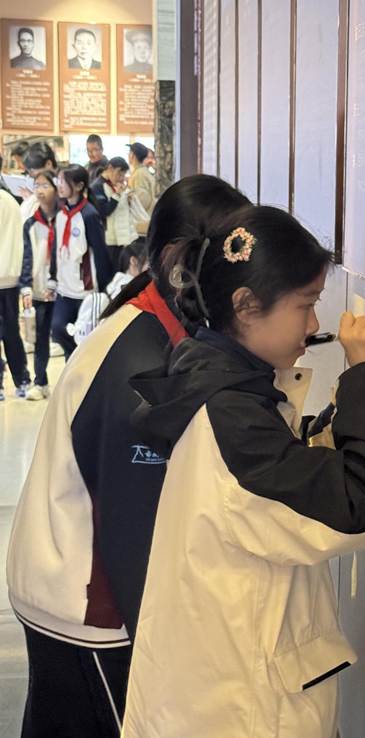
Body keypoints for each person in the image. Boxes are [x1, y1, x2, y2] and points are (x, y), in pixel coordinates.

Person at [121, 205, 365, 738]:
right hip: (238, 712)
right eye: (306, 305)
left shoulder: (211, 379)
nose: (314, 325)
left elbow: (287, 480)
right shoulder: (235, 420)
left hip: (207, 695)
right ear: (247, 306)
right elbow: (361, 507)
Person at [7, 175, 250, 737]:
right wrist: (167, 653)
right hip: (90, 605)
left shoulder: (154, 321)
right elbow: (130, 532)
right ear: (181, 263)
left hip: (63, 583)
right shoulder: (140, 365)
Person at [50, 164, 112, 359]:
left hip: (85, 290)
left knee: (84, 337)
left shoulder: (89, 214)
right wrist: (52, 277)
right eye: (58, 180)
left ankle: (78, 366)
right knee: (57, 329)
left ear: (79, 186)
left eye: (64, 181)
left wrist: (105, 287)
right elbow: (56, 249)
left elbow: (100, 253)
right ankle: (74, 360)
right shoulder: (61, 213)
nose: (59, 185)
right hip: (64, 287)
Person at [20, 170, 60, 401]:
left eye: (45, 185)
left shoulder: (65, 218)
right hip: (39, 287)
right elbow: (26, 255)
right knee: (40, 336)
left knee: (65, 334)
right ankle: (40, 381)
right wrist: (25, 285)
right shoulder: (31, 223)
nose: (40, 190)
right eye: (37, 186)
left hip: (65, 287)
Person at [67, 238, 148, 345]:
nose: (150, 270)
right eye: (148, 264)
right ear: (133, 261)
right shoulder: (129, 289)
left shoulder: (115, 288)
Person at [0, 186, 31, 399]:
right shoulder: (10, 200)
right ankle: (22, 379)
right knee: (12, 332)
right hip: (10, 276)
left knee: (10, 332)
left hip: (5, 277)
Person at [90, 156, 134, 270]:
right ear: (110, 168)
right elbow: (104, 211)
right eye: (119, 174)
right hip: (106, 238)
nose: (121, 178)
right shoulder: (97, 187)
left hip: (117, 238)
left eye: (123, 175)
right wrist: (118, 195)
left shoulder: (111, 185)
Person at [19, 142, 58, 221]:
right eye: (29, 171)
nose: (31, 175)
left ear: (48, 164)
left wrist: (32, 198)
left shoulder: (64, 182)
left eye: (33, 170)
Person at [128, 142, 155, 217]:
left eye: (129, 153)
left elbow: (143, 199)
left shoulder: (139, 174)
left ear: (132, 155)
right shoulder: (142, 171)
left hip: (142, 218)